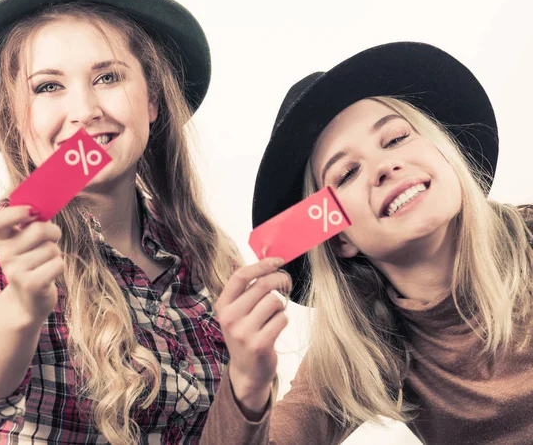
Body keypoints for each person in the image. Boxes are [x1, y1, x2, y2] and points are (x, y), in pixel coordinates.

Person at [0, 0, 240, 443]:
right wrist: (20, 306)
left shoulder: (203, 254)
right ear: (16, 119)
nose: (84, 110)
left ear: (152, 100)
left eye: (108, 77)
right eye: (47, 87)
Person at [201, 42, 533, 444]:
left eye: (395, 139)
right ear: (339, 238)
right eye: (346, 174)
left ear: (445, 149)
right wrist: (245, 386)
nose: (384, 166)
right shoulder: (365, 343)